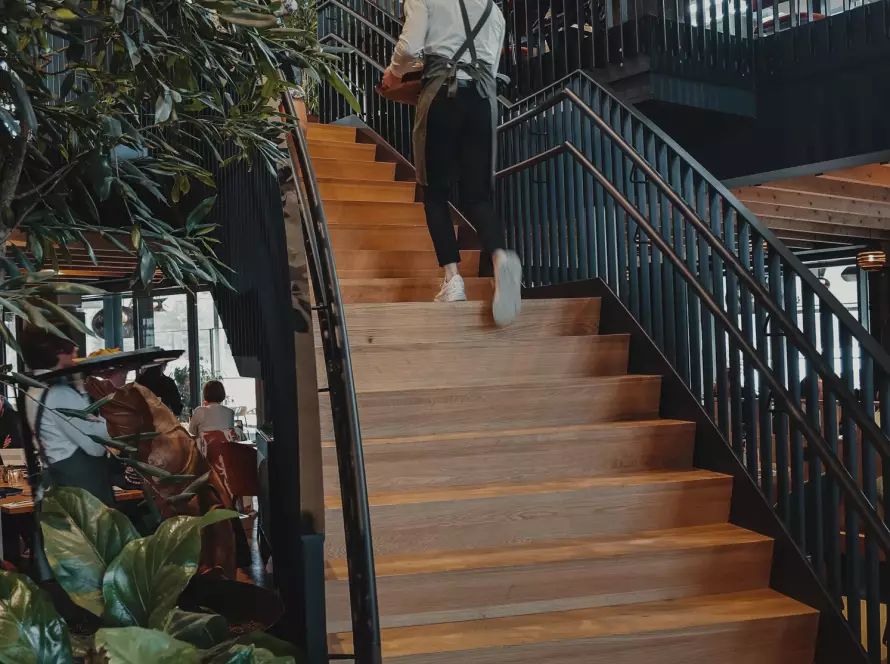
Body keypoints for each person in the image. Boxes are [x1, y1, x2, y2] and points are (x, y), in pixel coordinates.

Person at [382, 0, 523, 326]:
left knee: (434, 192)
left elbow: (409, 46)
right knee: (477, 196)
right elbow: (489, 64)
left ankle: (453, 279)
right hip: (482, 102)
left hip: (442, 98)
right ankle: (500, 258)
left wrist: (394, 72)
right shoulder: (493, 10)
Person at [19, 327, 115, 506]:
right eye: (69, 346)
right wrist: (113, 392)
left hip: (58, 488)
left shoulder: (35, 389)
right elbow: (96, 445)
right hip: (81, 496)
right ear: (56, 352)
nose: (76, 349)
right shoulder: (60, 394)